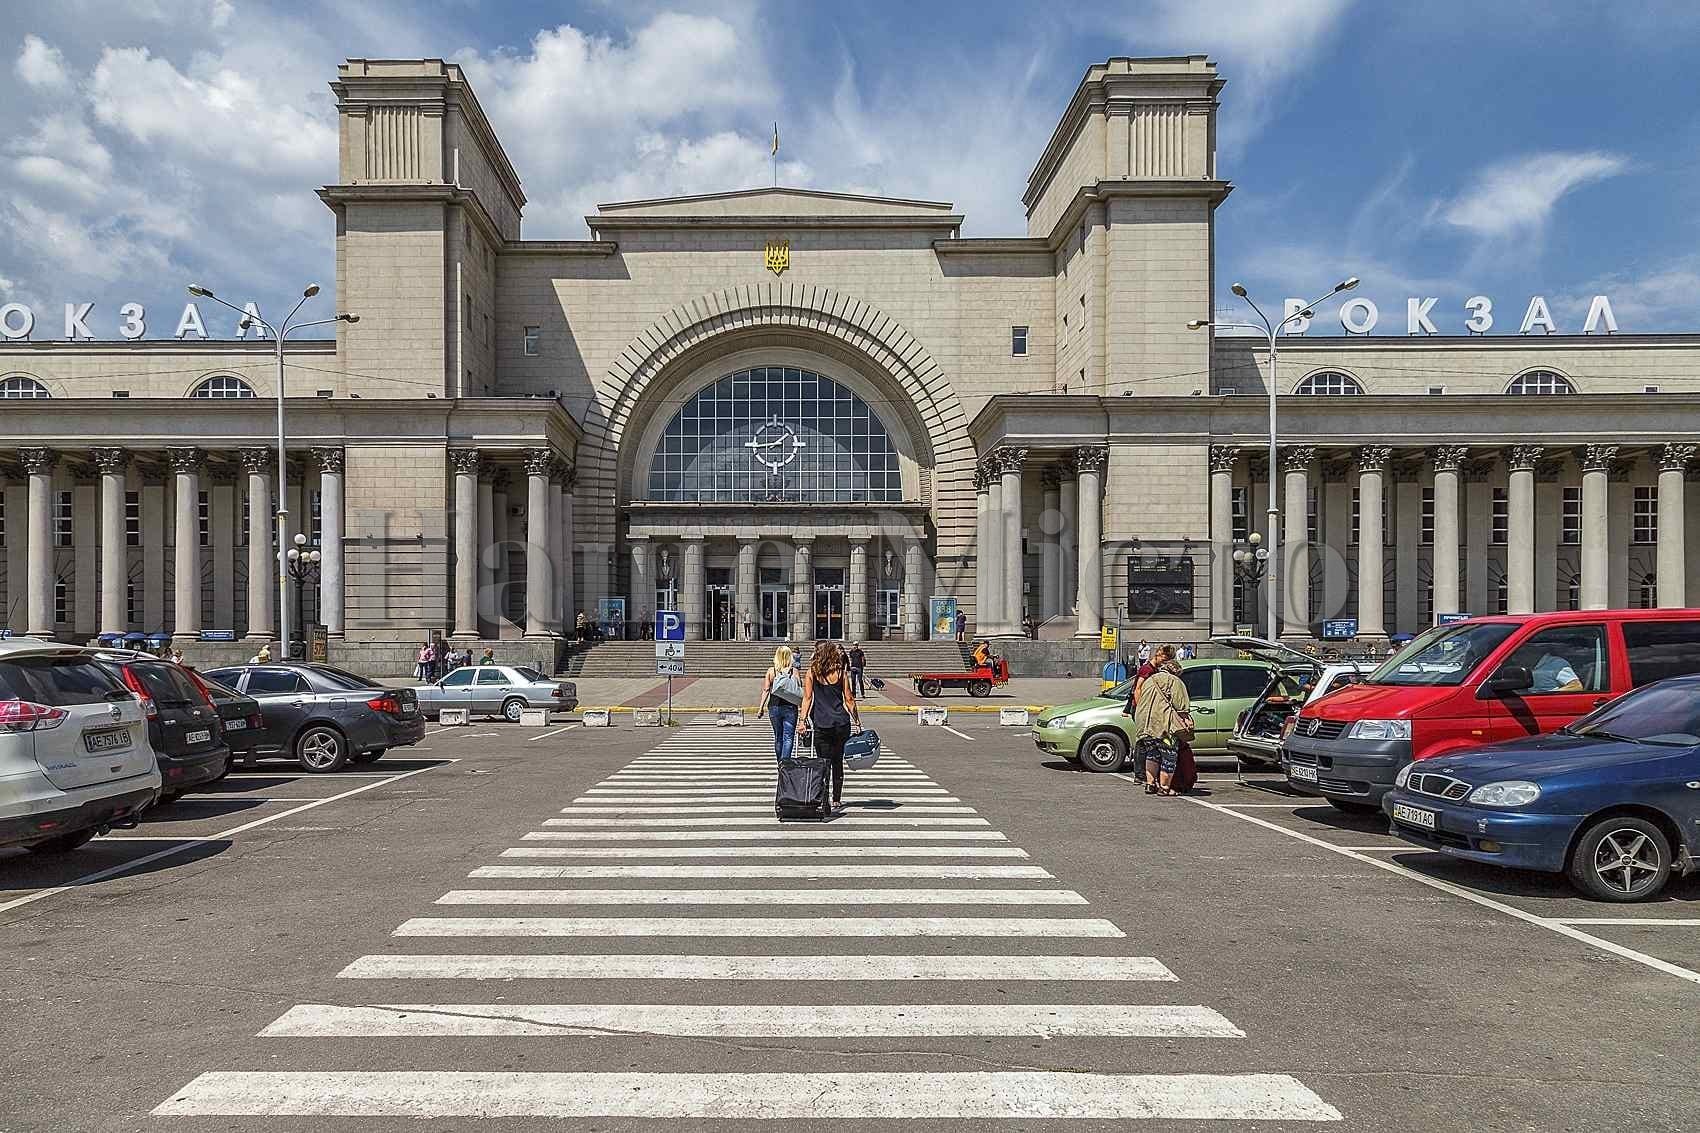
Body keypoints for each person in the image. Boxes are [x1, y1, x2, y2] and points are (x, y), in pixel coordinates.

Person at [797, 640, 860, 811]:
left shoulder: (812, 672)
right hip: (841, 722)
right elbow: (849, 699)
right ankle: (837, 798)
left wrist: (802, 721)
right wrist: (857, 721)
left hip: (821, 723)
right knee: (837, 760)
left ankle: (823, 799)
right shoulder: (840, 673)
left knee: (823, 762)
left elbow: (807, 698)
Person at [1133, 651, 1192, 796]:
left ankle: (1150, 784)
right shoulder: (1174, 681)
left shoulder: (1150, 680)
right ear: (1176, 672)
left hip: (1145, 726)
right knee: (1169, 755)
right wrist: (1187, 720)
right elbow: (1181, 706)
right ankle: (1164, 788)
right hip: (1164, 728)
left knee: (1152, 754)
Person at [759, 645, 805, 763]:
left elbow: (766, 690)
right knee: (788, 737)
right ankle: (785, 764)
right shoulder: (794, 671)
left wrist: (761, 708)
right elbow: (798, 690)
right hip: (790, 707)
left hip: (774, 707)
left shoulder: (771, 671)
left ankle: (780, 763)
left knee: (778, 736)